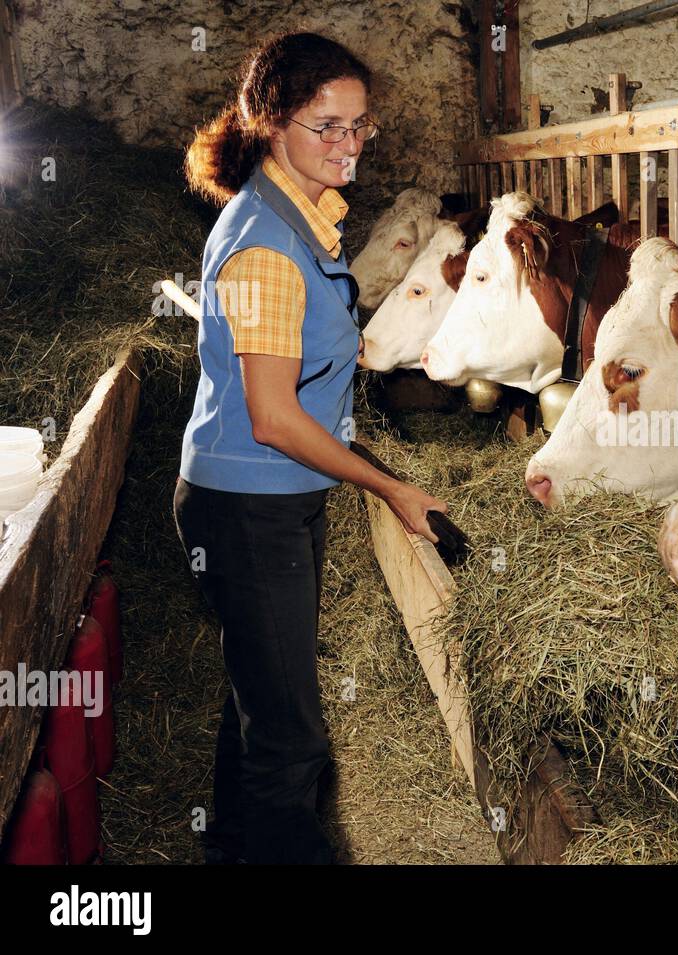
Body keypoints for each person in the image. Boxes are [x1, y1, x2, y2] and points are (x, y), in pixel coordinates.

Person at [175, 32, 447, 864]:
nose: (349, 146)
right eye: (326, 126)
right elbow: (273, 417)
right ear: (270, 122)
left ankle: (229, 850)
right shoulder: (264, 243)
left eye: (359, 126)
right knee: (293, 742)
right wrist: (391, 487)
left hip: (271, 501)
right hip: (249, 508)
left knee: (256, 705)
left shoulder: (301, 219)